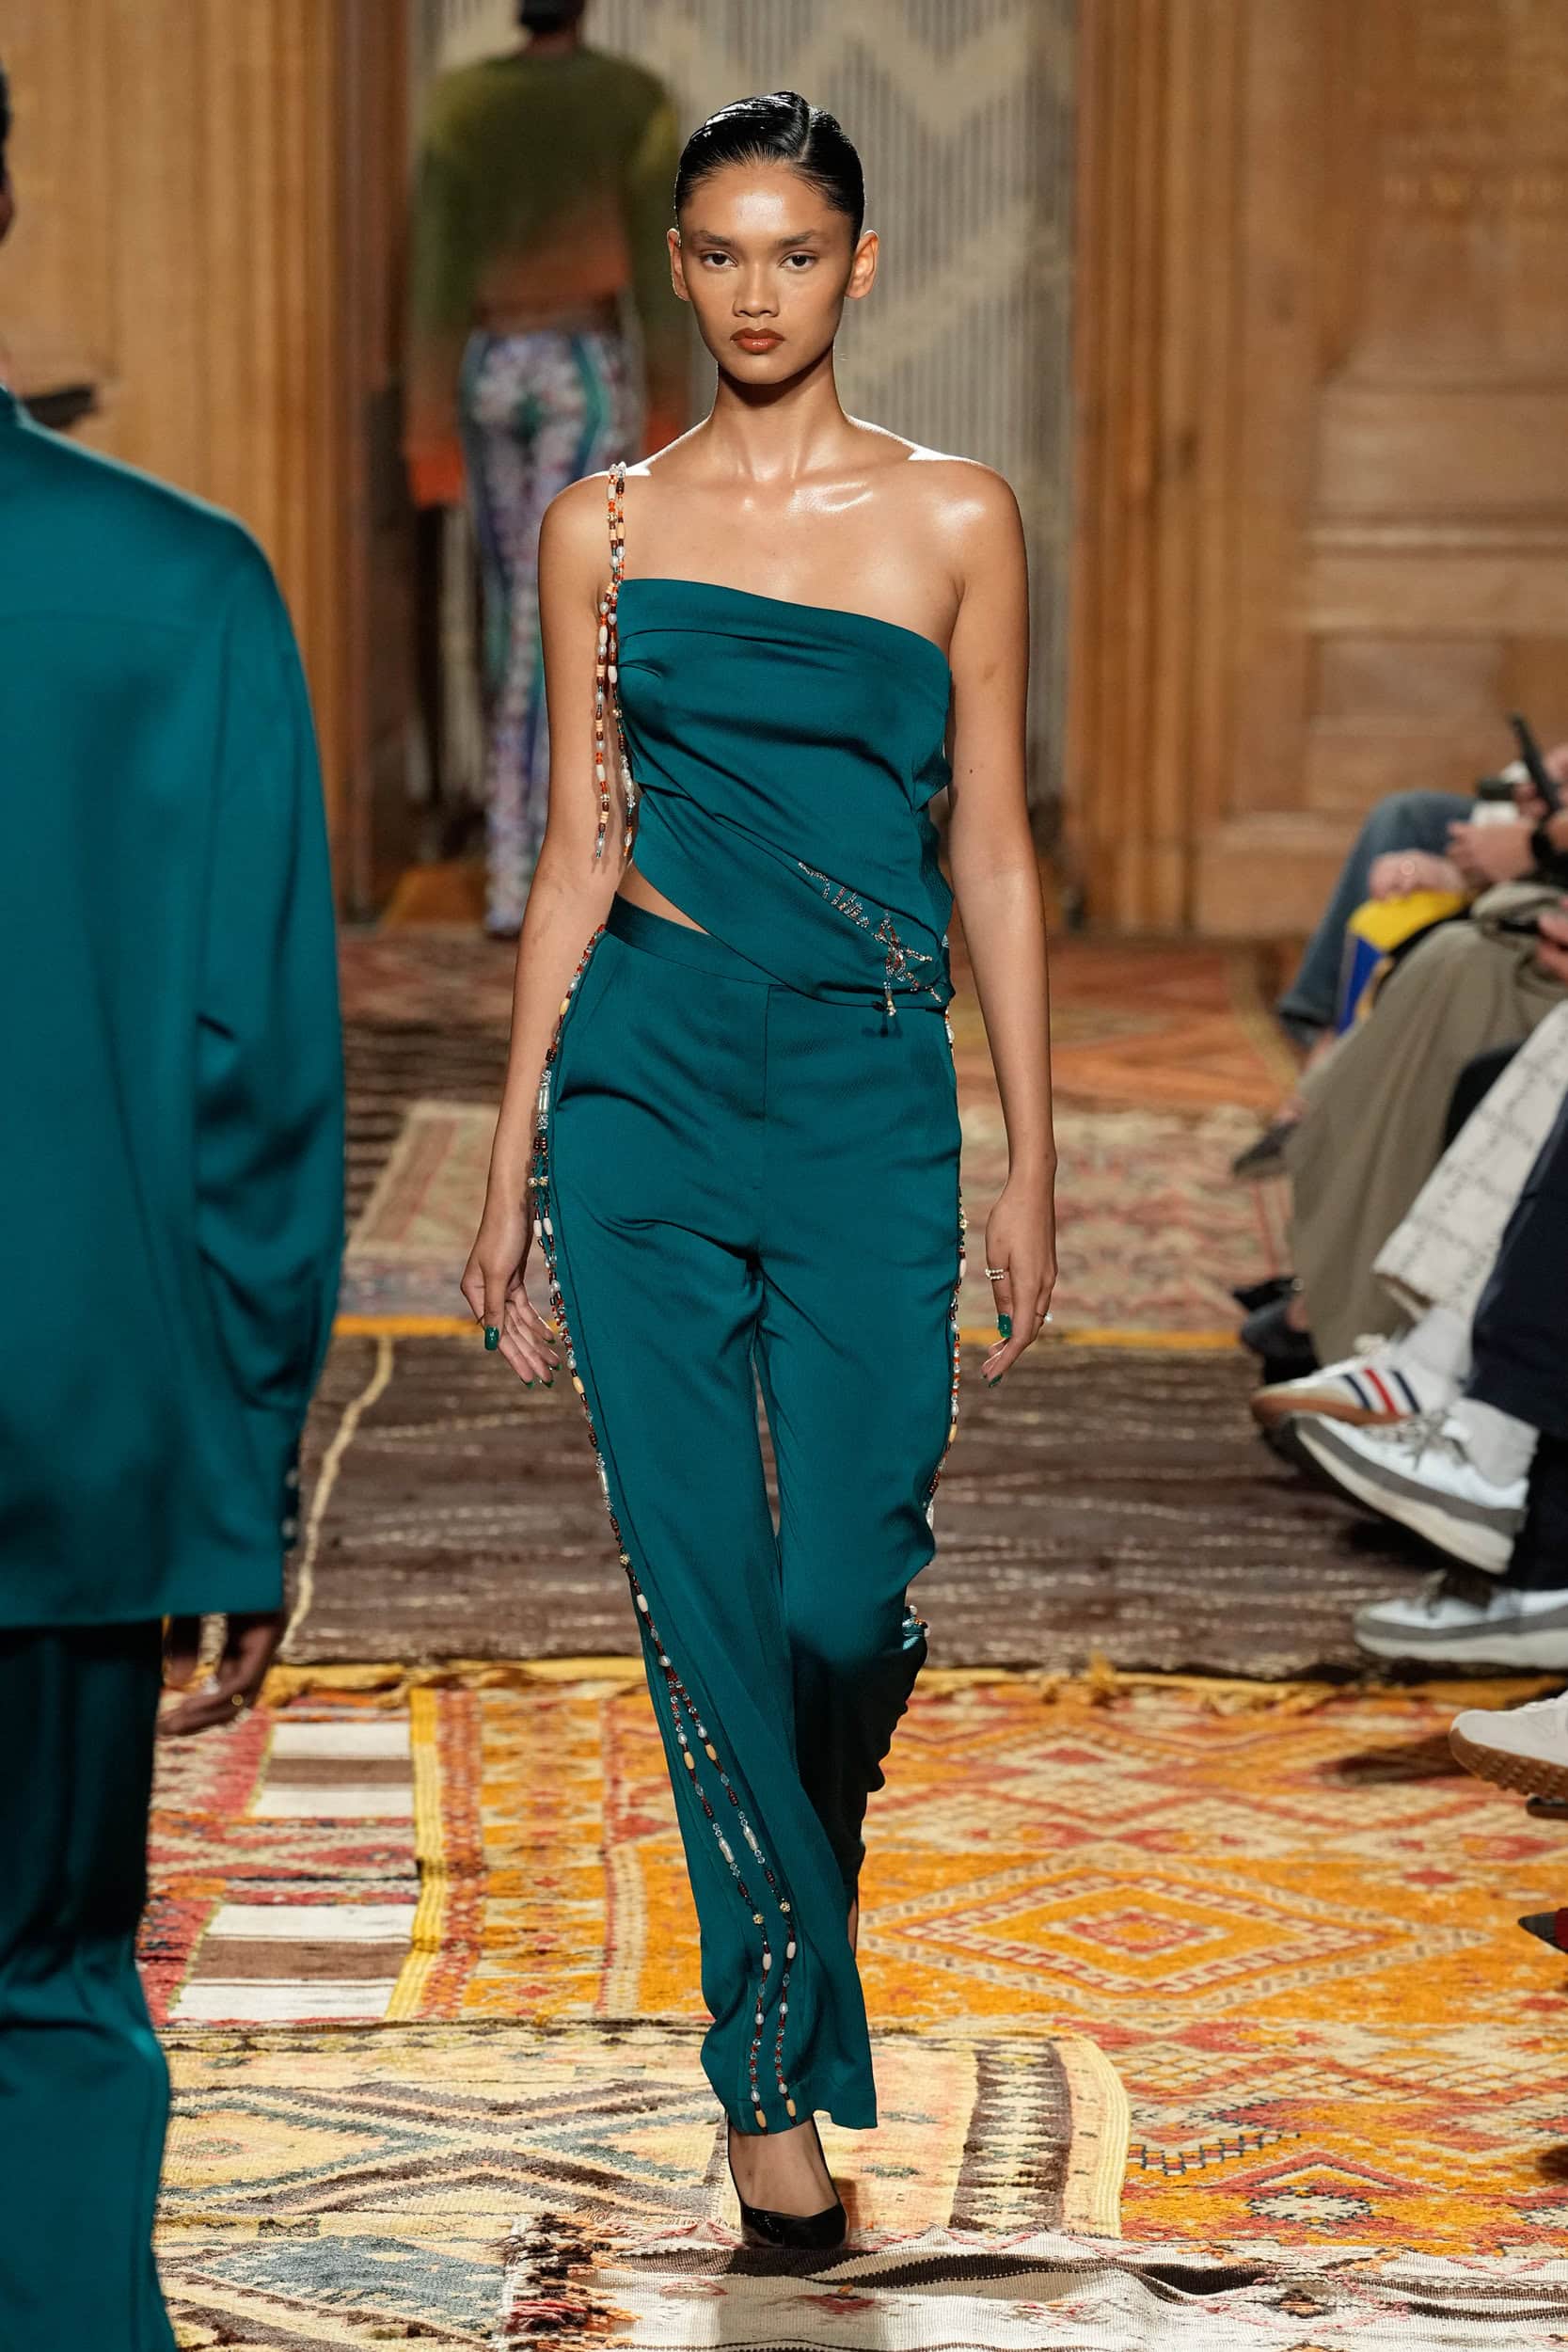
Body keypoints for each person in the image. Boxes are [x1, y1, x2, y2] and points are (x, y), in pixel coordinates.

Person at [461, 91, 1056, 2245]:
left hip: (870, 1091)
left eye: (793, 250)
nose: (755, 290)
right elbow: (573, 853)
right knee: (703, 1585)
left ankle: (798, 1922)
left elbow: (992, 850)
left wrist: (1032, 1155)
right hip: (645, 1078)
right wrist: (510, 1166)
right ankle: (763, 2078)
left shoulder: (957, 517)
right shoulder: (602, 525)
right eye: (717, 252)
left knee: (840, 1591)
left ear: (856, 265)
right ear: (677, 270)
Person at [0, 59, 344, 2349]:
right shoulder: (182, 588)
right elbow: (259, 1084)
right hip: (67, 1433)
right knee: (42, 1984)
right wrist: (239, 1481)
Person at [408, 0, 689, 936]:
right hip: (580, 368)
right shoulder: (631, 100)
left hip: (488, 369)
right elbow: (660, 272)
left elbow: (437, 273)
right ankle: (548, 862)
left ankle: (514, 863)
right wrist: (668, 409)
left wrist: (426, 428)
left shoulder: (462, 104)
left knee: (513, 612)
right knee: (575, 609)